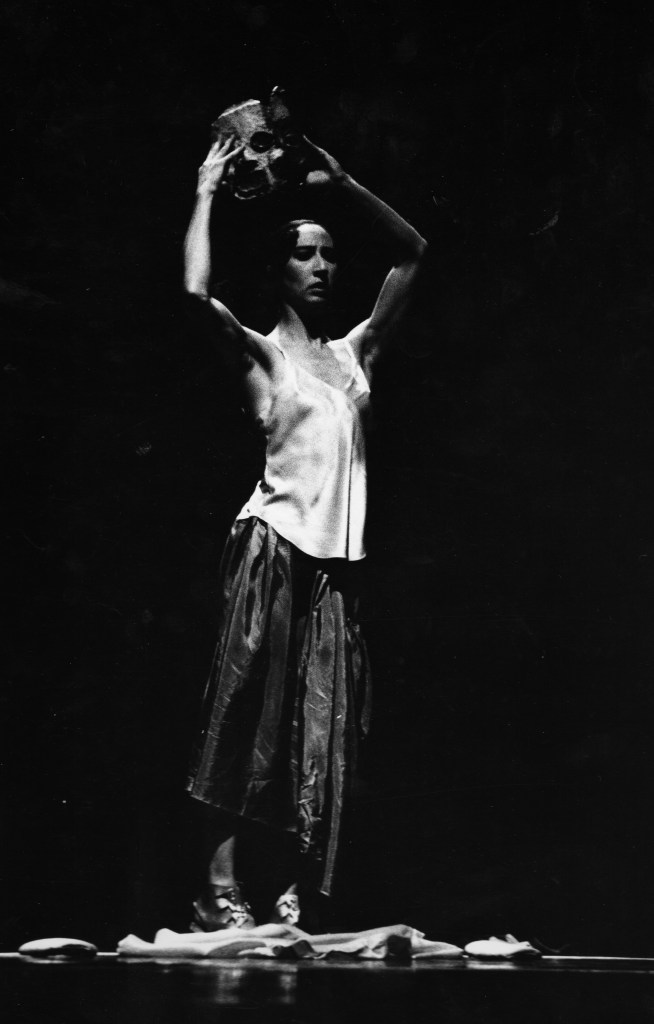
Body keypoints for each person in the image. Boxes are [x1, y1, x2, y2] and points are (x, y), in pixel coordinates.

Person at [183, 132, 427, 932]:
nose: (322, 266)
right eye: (303, 255)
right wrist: (207, 190)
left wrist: (344, 182)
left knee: (315, 727)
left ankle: (285, 883)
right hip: (273, 546)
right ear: (276, 271)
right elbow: (195, 293)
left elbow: (413, 253)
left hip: (335, 568)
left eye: (328, 254)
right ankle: (219, 887)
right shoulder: (266, 360)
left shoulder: (355, 357)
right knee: (245, 711)